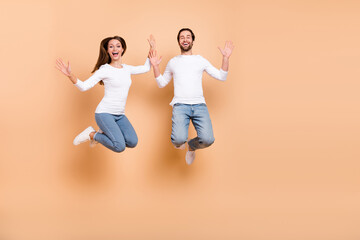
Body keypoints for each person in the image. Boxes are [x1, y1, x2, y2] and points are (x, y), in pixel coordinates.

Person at [56, 35, 156, 153]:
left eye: (118, 46)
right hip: (104, 114)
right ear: (107, 51)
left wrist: (152, 47)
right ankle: (92, 134)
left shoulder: (127, 69)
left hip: (119, 115)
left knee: (132, 141)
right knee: (119, 146)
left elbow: (146, 67)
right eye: (111, 47)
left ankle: (100, 133)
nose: (115, 49)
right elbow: (84, 86)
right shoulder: (104, 69)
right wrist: (70, 75)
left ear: (122, 49)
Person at [149, 28, 234, 164]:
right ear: (178, 41)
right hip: (180, 106)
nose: (185, 39)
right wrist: (155, 66)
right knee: (177, 140)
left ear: (193, 41)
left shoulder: (200, 60)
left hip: (199, 106)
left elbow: (221, 76)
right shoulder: (173, 62)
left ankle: (191, 146)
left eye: (188, 37)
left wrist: (225, 58)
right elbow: (161, 83)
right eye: (182, 37)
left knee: (208, 140)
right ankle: (182, 142)